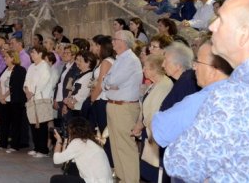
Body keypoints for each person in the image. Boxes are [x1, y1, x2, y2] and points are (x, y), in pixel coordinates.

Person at [164, 0, 249, 181]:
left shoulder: (236, 95)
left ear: (243, 35)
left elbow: (180, 163)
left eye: (221, 20)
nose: (212, 26)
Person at [151, 38, 232, 148]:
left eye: (198, 62)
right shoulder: (238, 91)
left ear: (213, 69)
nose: (194, 67)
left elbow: (160, 130)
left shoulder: (198, 98)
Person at [102, 30, 143, 183]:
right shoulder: (120, 59)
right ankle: (122, 178)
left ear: (124, 42)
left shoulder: (130, 60)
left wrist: (108, 82)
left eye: (115, 39)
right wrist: (108, 82)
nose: (112, 42)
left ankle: (131, 180)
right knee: (115, 145)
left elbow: (112, 81)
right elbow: (105, 81)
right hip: (114, 105)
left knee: (126, 147)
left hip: (124, 107)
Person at [131, 54, 173, 182]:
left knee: (154, 171)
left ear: (155, 69)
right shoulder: (153, 84)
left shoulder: (165, 85)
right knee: (146, 169)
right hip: (147, 130)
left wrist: (140, 125)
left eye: (146, 67)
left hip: (155, 133)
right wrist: (139, 123)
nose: (143, 70)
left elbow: (154, 112)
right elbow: (144, 107)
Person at [51, 116, 114, 183]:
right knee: (72, 167)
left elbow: (56, 160)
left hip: (94, 181)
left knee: (55, 179)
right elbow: (66, 162)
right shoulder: (91, 142)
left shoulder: (77, 142)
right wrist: (66, 141)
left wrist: (59, 141)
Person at [24, 46, 56, 158]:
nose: (31, 55)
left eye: (33, 53)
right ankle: (36, 147)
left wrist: (31, 92)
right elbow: (27, 81)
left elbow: (42, 83)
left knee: (41, 125)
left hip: (41, 99)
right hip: (31, 99)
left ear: (41, 54)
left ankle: (43, 150)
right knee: (33, 124)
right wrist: (27, 90)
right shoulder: (31, 67)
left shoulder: (44, 66)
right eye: (31, 53)